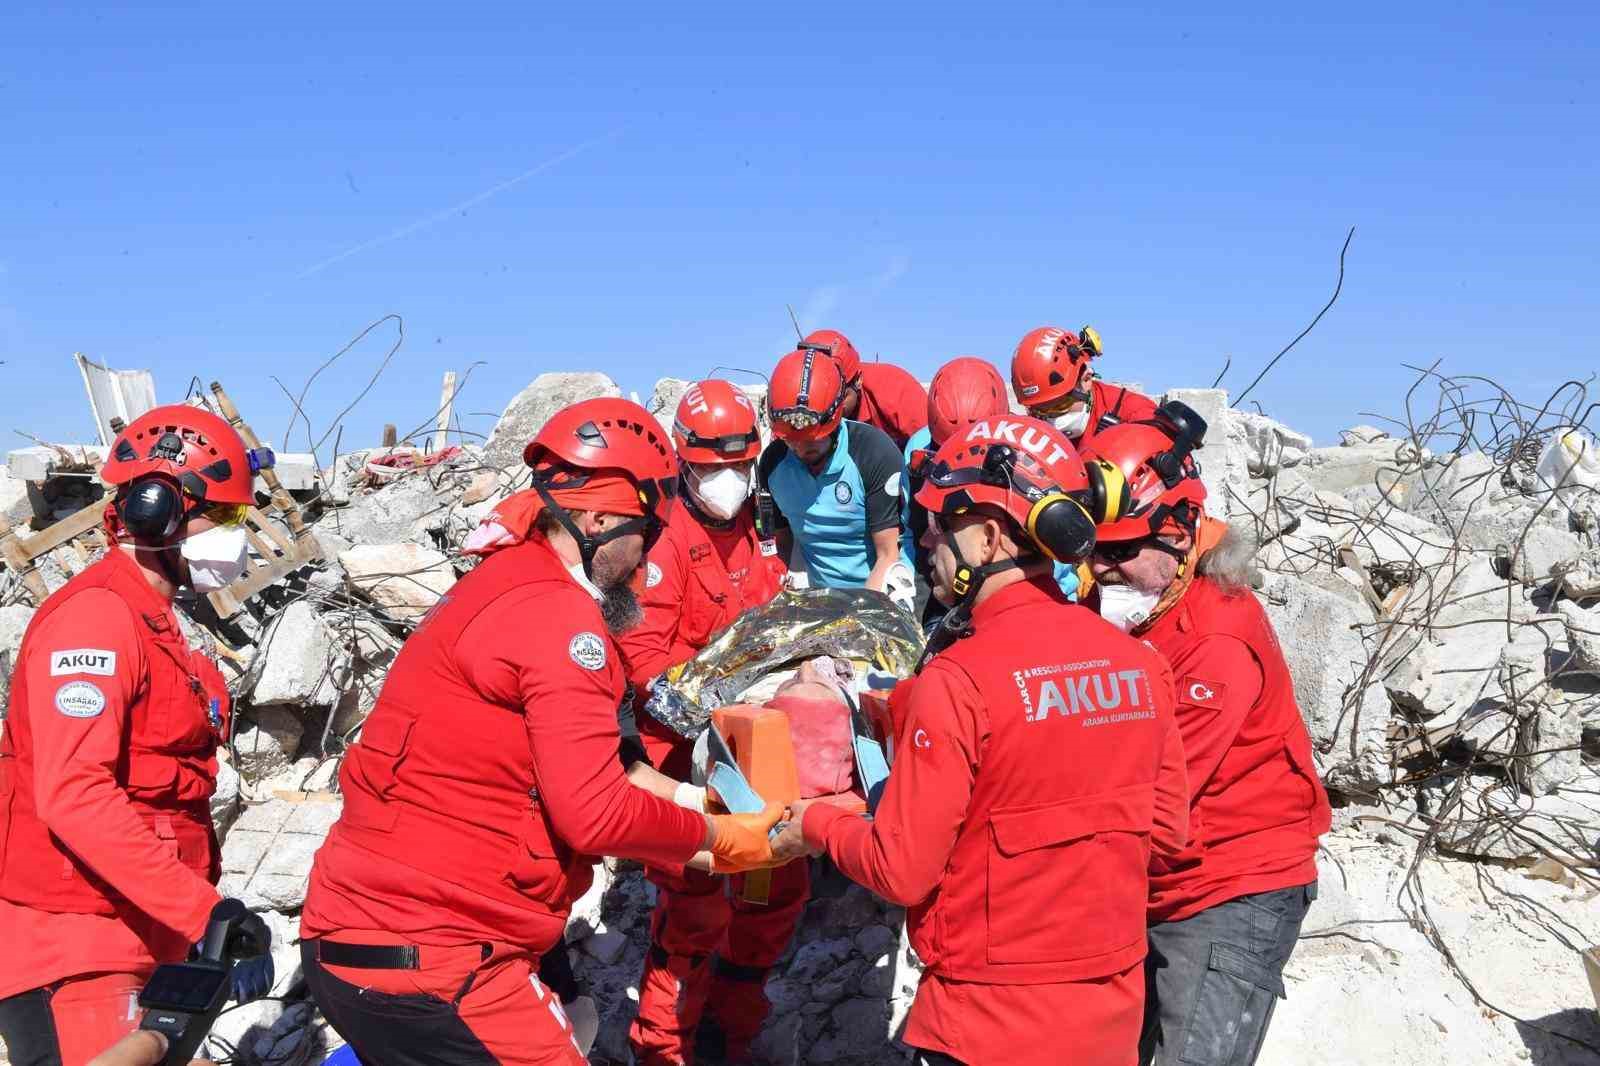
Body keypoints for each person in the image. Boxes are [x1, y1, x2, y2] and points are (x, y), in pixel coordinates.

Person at [298, 398, 783, 1066]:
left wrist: (711, 809)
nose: (645, 559)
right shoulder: (561, 623)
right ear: (595, 519)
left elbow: (611, 765)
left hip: (369, 932)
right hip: (433, 954)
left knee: (575, 1019)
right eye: (643, 533)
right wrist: (721, 842)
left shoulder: (508, 581)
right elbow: (596, 815)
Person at [772, 416, 1191, 1066]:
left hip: (982, 1025)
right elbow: (1165, 836)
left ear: (991, 538)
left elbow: (902, 869)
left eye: (942, 526)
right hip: (1109, 1022)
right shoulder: (1141, 666)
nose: (929, 543)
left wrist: (821, 825)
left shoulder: (960, 682)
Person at [0, 405, 274, 1066]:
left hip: (141, 938)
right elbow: (74, 794)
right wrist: (206, 913)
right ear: (160, 511)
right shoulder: (96, 621)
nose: (239, 535)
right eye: (229, 517)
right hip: (78, 949)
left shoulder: (155, 621)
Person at [1078, 409, 1332, 1066]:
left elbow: (1151, 793)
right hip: (1158, 879)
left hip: (1233, 885)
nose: (1100, 569)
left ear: (1179, 531)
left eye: (1120, 551)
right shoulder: (1146, 606)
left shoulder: (1212, 640)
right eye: (1092, 550)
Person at [617, 380, 803, 1065]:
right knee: (693, 919)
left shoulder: (760, 530)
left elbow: (774, 621)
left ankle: (734, 1035)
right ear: (683, 466)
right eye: (708, 469)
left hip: (757, 753)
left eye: (736, 466)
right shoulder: (660, 545)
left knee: (777, 890)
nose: (724, 482)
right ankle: (664, 1049)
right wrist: (711, 698)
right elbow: (644, 663)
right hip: (684, 765)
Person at [757, 348, 914, 607]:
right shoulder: (774, 463)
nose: (799, 450)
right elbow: (783, 545)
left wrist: (862, 616)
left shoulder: (874, 453)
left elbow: (888, 554)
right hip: (819, 598)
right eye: (790, 441)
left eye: (811, 441)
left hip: (879, 589)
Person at [1011, 325, 1157, 451]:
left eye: (1059, 406)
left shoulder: (1133, 412)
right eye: (1038, 411)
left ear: (1086, 378)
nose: (1049, 418)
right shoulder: (1018, 432)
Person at [800, 328, 928, 449]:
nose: (832, 411)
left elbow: (931, 447)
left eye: (841, 398)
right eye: (824, 401)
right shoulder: (796, 398)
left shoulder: (895, 390)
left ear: (858, 381)